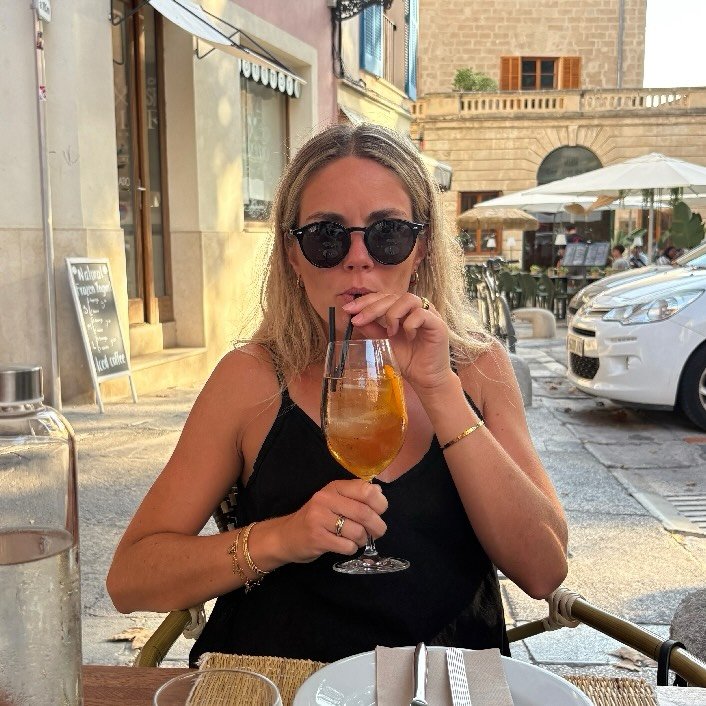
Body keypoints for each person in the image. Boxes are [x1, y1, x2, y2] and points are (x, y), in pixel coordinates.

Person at [106, 123, 568, 666]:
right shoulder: (251, 379)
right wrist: (280, 538)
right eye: (327, 236)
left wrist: (440, 388)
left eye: (387, 233)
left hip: (447, 681)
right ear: (293, 255)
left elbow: (544, 571)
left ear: (421, 248)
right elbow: (130, 580)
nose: (358, 258)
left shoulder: (477, 368)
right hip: (275, 681)